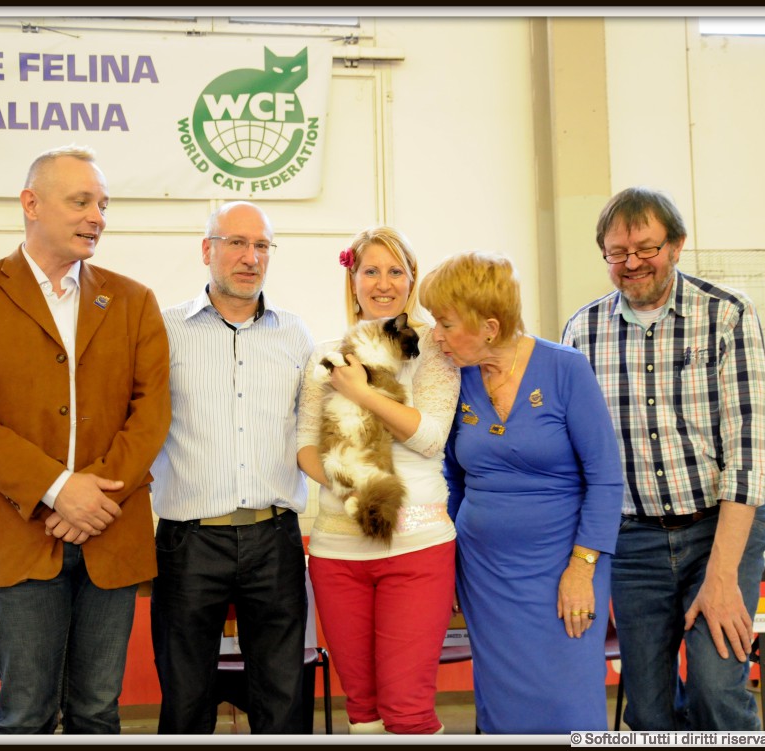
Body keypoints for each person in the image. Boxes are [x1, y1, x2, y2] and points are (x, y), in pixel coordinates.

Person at [0, 144, 172, 734]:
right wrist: (59, 489)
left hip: (112, 531)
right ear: (31, 204)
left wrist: (94, 498)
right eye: (81, 201)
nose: (96, 217)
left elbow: (152, 411)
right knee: (26, 714)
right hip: (20, 536)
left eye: (103, 205)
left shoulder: (134, 300)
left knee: (98, 712)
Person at [561, 186, 765, 730]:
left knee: (716, 684)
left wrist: (722, 575)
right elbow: (576, 457)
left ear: (677, 245)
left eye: (646, 248)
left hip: (718, 528)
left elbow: (751, 452)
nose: (632, 262)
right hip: (632, 540)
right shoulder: (582, 332)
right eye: (617, 252)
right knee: (650, 709)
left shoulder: (726, 314)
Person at [418, 250, 624, 734]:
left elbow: (606, 477)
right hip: (485, 573)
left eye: (446, 323)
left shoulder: (565, 368)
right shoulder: (456, 377)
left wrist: (582, 568)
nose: (436, 335)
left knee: (571, 699)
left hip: (566, 566)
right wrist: (447, 562)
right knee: (502, 704)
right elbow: (453, 478)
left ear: (489, 327)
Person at [149, 201, 314, 734]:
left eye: (262, 245)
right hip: (189, 540)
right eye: (237, 243)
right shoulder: (164, 330)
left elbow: (314, 430)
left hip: (275, 537)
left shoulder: (296, 334)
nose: (251, 257)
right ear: (207, 250)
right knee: (186, 698)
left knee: (283, 698)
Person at [296, 227, 460, 735]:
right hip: (336, 552)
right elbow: (304, 447)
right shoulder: (326, 354)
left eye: (395, 272)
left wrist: (362, 393)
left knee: (406, 709)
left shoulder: (434, 349)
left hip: (417, 548)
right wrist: (356, 491)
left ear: (411, 280)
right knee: (362, 710)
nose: (383, 283)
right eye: (371, 271)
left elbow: (429, 438)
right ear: (353, 280)